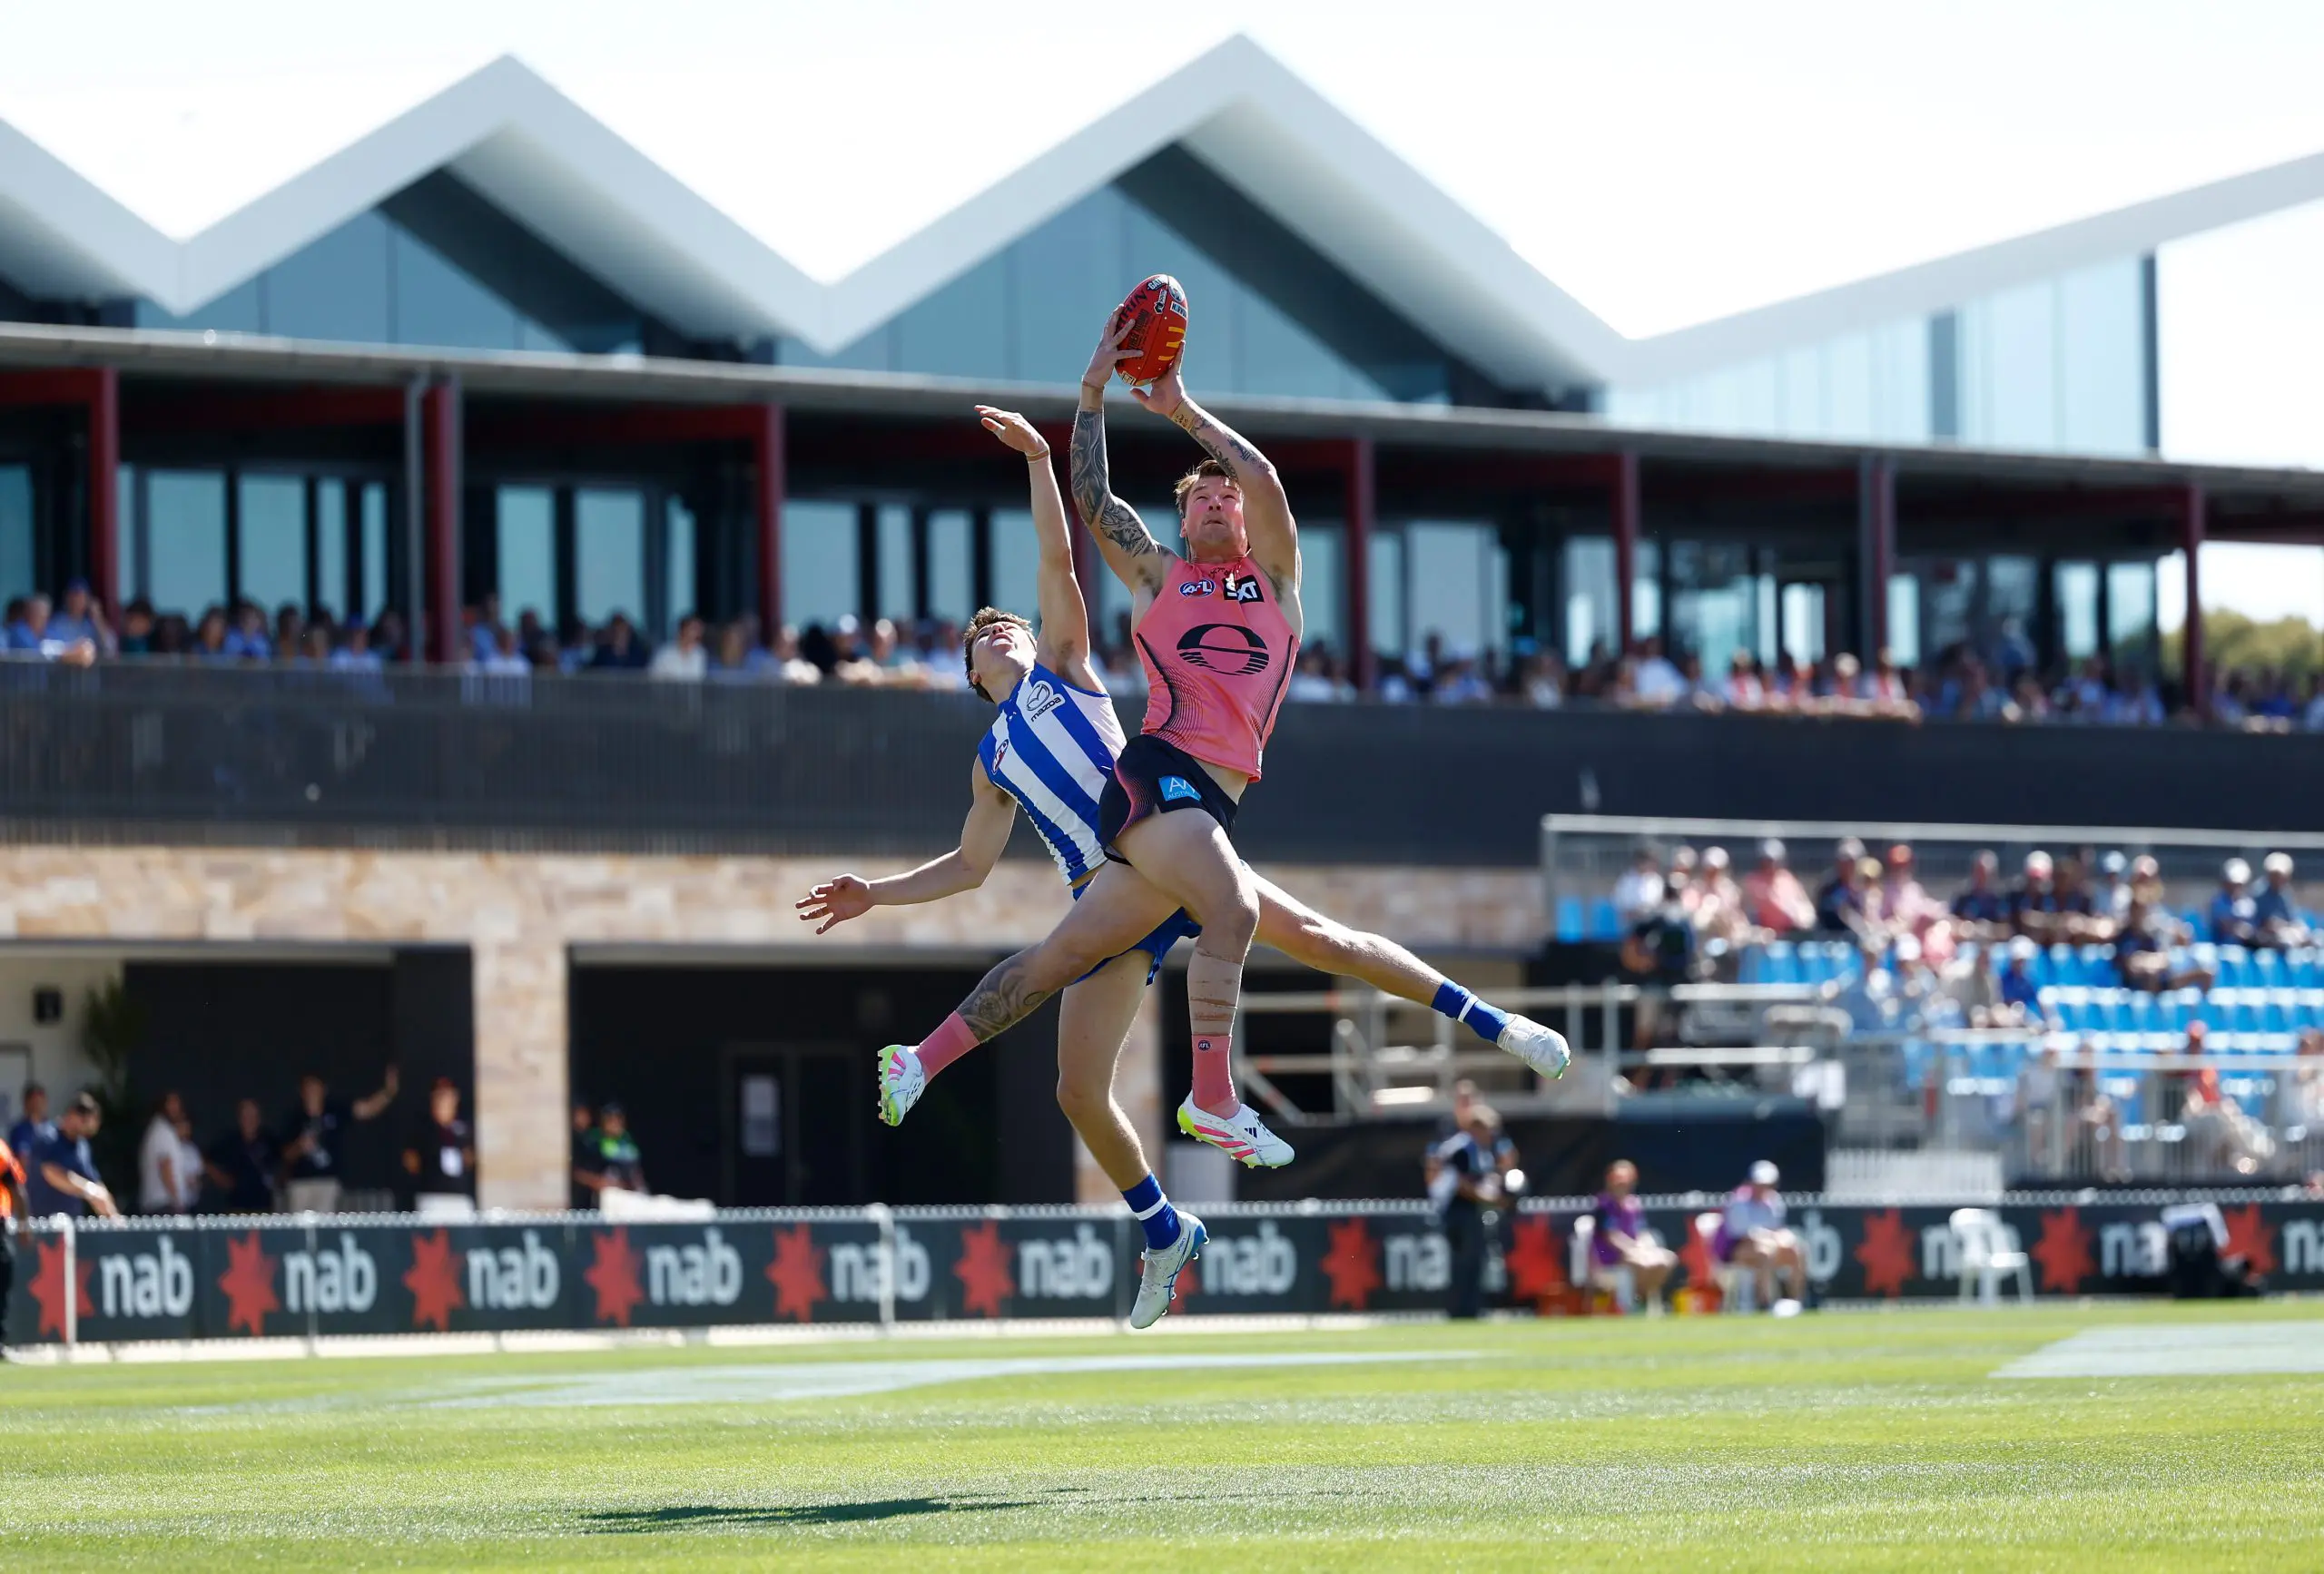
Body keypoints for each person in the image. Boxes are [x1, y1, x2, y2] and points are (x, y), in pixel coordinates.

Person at [802, 407, 1566, 1329]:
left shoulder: (1067, 664)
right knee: (1078, 1086)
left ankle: (1489, 1028)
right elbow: (968, 867)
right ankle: (1159, 1218)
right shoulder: (988, 759)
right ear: (969, 674)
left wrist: (1043, 457)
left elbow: (1060, 551)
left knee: (1312, 937)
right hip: (1130, 863)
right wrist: (873, 894)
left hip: (1170, 831)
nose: (1002, 638)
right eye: (984, 642)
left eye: (1008, 631)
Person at [281, 1067, 399, 1213]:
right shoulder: (294, 1117)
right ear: (302, 1092)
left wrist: (389, 1092)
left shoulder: (335, 1110)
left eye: (315, 1088)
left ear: (323, 1089)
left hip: (328, 1182)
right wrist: (300, 1146)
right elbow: (285, 1155)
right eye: (308, 1089)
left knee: (325, 1229)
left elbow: (367, 1109)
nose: (312, 1092)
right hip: (300, 1184)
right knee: (299, 1231)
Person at [1426, 1105, 1505, 1320]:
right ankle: (1460, 1311)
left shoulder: (1480, 1150)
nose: (1491, 1135)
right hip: (1458, 1213)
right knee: (1463, 1263)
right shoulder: (1461, 1149)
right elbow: (1462, 1184)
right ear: (1476, 1128)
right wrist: (1490, 1199)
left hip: (1471, 1212)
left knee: (1475, 1262)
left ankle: (1472, 1309)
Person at [1716, 1159, 1806, 1313]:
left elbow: (1778, 1229)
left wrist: (1783, 1239)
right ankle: (1766, 1304)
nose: (1763, 1188)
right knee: (1765, 1252)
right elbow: (1743, 1235)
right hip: (1734, 1251)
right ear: (1751, 1182)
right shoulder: (1737, 1201)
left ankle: (1796, 1302)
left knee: (1796, 1250)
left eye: (1768, 1184)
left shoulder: (1774, 1201)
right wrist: (1772, 1239)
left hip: (1768, 1245)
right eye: (1760, 1183)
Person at [1588, 1160, 1675, 1313]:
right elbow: (1611, 1236)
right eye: (1618, 1181)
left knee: (1667, 1260)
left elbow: (1641, 1232)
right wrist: (1635, 1250)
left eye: (1625, 1181)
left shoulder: (1633, 1204)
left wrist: (1644, 1248)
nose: (1622, 1185)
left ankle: (1642, 1299)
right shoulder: (1604, 1205)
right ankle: (1631, 1306)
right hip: (1611, 1258)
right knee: (1642, 1264)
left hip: (1635, 1252)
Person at [26, 1092, 118, 1219]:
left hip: (71, 1223)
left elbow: (94, 1181)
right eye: (84, 1120)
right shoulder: (47, 1136)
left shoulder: (82, 1146)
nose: (88, 1127)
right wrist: (88, 1190)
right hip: (42, 1222)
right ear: (72, 1115)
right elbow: (51, 1172)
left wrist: (112, 1213)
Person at [401, 1078, 478, 1205]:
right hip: (431, 1198)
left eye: (448, 1096)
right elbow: (411, 1163)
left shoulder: (463, 1130)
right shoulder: (422, 1132)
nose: (444, 1102)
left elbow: (470, 1160)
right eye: (440, 1097)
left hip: (460, 1197)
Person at [202, 1099, 281, 1214]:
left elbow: (284, 1160)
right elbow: (207, 1161)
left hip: (264, 1205)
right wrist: (222, 1179)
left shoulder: (269, 1140)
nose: (249, 1120)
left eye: (253, 1115)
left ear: (259, 1118)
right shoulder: (230, 1141)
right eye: (246, 1115)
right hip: (237, 1205)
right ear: (239, 1118)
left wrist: (278, 1181)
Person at [137, 1091, 201, 1214]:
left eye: (177, 1103)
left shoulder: (164, 1130)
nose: (175, 1108)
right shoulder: (162, 1132)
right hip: (164, 1206)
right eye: (171, 1103)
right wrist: (177, 1202)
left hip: (163, 1205)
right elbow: (165, 1168)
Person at [1741, 839, 1817, 934]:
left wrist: (1802, 918)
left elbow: (1805, 908)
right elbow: (1748, 913)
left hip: (1791, 934)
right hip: (1763, 935)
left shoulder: (1787, 879)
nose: (1771, 865)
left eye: (1774, 861)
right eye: (1767, 860)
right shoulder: (1753, 881)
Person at [2252, 853, 2311, 949]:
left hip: (2283, 931)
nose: (2278, 879)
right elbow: (2257, 923)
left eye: (2280, 875)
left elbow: (2291, 919)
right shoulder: (2258, 892)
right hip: (2263, 936)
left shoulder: (2285, 893)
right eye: (2274, 875)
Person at [586, 1104, 646, 1195]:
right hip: (607, 1189)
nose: (615, 1124)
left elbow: (635, 1164)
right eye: (610, 1120)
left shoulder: (627, 1139)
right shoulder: (595, 1138)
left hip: (630, 1186)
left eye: (618, 1119)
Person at [2209, 860, 2260, 947]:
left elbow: (2254, 927)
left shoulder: (2249, 903)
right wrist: (2238, 929)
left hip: (2246, 949)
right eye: (2232, 883)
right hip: (2222, 947)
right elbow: (2224, 926)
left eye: (2239, 884)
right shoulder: (2218, 902)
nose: (2235, 887)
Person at [7, 1082, 53, 1160]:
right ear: (26, 1104)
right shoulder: (19, 1130)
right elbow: (23, 1158)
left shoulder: (54, 1129)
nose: (38, 1105)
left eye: (41, 1101)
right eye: (34, 1102)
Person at [569, 1100, 602, 1209]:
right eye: (580, 1114)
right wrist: (593, 1181)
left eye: (586, 1114)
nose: (584, 1118)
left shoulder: (591, 1139)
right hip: (575, 1198)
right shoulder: (570, 1139)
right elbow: (571, 1170)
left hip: (591, 1199)